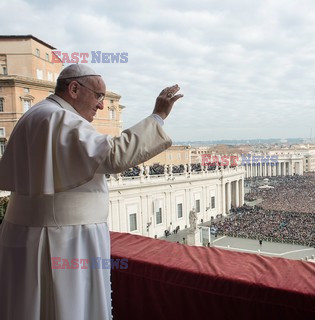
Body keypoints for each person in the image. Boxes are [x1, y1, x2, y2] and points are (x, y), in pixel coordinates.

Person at [0, 64, 182, 320]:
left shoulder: (37, 115)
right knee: (68, 308)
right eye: (98, 96)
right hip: (64, 240)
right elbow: (114, 155)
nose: (101, 106)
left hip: (31, 233)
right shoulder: (58, 117)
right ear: (74, 88)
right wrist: (158, 116)